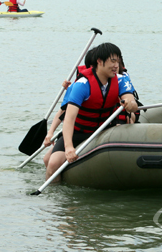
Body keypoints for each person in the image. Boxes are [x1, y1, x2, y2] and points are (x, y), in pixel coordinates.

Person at [45, 43, 138, 181]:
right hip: (78, 133)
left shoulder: (121, 80)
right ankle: (56, 200)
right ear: (99, 61)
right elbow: (69, 119)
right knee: (51, 163)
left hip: (103, 131)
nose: (116, 65)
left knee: (50, 159)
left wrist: (130, 105)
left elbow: (132, 101)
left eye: (117, 61)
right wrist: (69, 147)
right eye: (112, 61)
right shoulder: (82, 85)